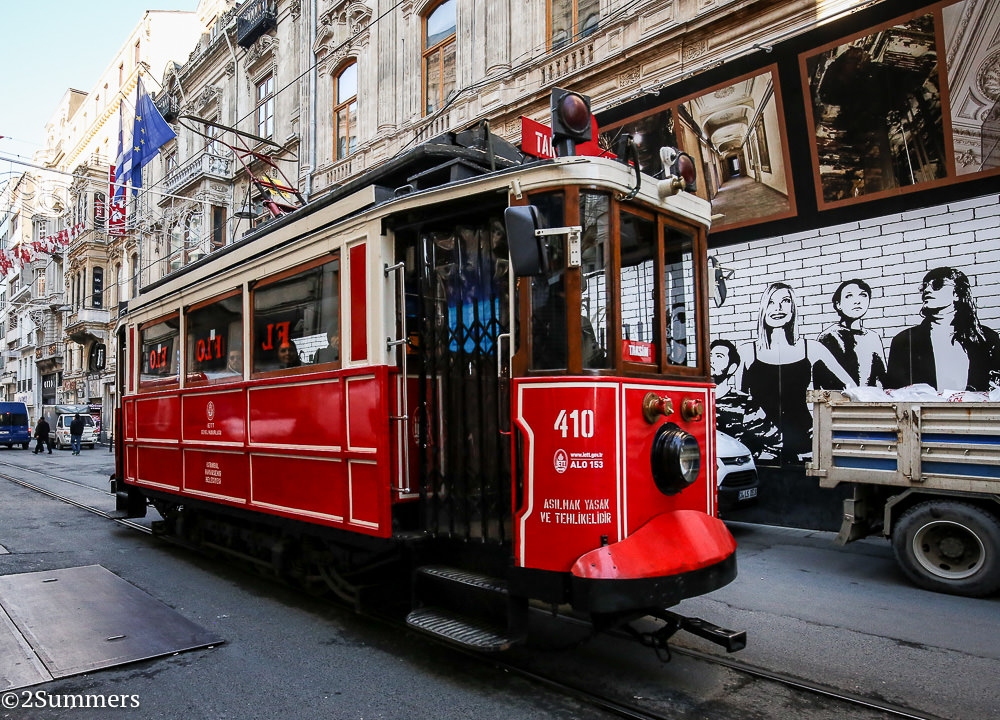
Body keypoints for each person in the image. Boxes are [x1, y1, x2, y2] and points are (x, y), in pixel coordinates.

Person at [735, 282, 856, 463]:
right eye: (771, 302)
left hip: (803, 441)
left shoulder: (812, 348)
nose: (778, 308)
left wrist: (825, 423)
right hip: (761, 445)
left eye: (785, 301)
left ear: (792, 309)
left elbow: (850, 387)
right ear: (764, 309)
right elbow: (740, 403)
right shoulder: (747, 352)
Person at [886, 267, 1000, 391]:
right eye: (924, 287)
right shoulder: (904, 340)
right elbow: (894, 393)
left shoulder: (987, 339)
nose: (927, 290)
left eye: (937, 285)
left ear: (957, 293)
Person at [711, 339, 779, 462]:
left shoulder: (745, 403)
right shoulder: (696, 400)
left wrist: (748, 464)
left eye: (719, 356)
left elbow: (774, 441)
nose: (711, 360)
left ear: (732, 368)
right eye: (709, 355)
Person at [816, 278, 887, 388]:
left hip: (871, 401)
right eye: (849, 296)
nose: (857, 301)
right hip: (839, 402)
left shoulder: (873, 337)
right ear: (838, 304)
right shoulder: (828, 336)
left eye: (863, 295)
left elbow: (882, 378)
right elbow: (821, 379)